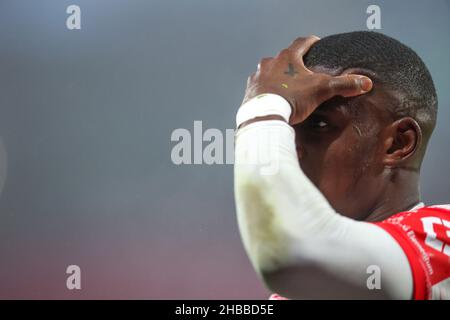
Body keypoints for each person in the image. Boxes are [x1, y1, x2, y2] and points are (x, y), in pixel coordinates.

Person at [234, 31, 449, 299]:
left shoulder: (441, 241)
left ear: (398, 143)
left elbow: (287, 255)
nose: (289, 147)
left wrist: (263, 108)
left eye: (320, 125)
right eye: (286, 128)